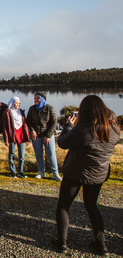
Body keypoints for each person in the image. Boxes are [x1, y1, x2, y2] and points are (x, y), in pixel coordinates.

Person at [52, 95, 119, 256]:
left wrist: (68, 126)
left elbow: (62, 142)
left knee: (63, 205)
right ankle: (101, 244)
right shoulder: (114, 129)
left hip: (75, 173)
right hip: (98, 175)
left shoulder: (83, 130)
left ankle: (62, 243)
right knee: (91, 206)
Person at [26, 92, 62, 181]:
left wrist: (48, 136)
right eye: (35, 98)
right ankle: (41, 172)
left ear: (43, 99)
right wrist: (32, 131)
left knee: (51, 154)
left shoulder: (50, 108)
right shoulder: (32, 109)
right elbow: (29, 121)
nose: (36, 100)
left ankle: (55, 173)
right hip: (36, 136)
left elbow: (54, 123)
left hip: (47, 136)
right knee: (39, 154)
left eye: (38, 98)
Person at [2, 96, 30, 178]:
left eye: (19, 103)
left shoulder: (21, 111)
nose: (17, 105)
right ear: (12, 103)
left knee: (22, 155)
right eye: (16, 103)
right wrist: (6, 139)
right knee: (11, 154)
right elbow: (4, 127)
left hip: (21, 134)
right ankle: (12, 171)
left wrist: (27, 137)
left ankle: (20, 171)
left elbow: (25, 125)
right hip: (12, 135)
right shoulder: (7, 112)